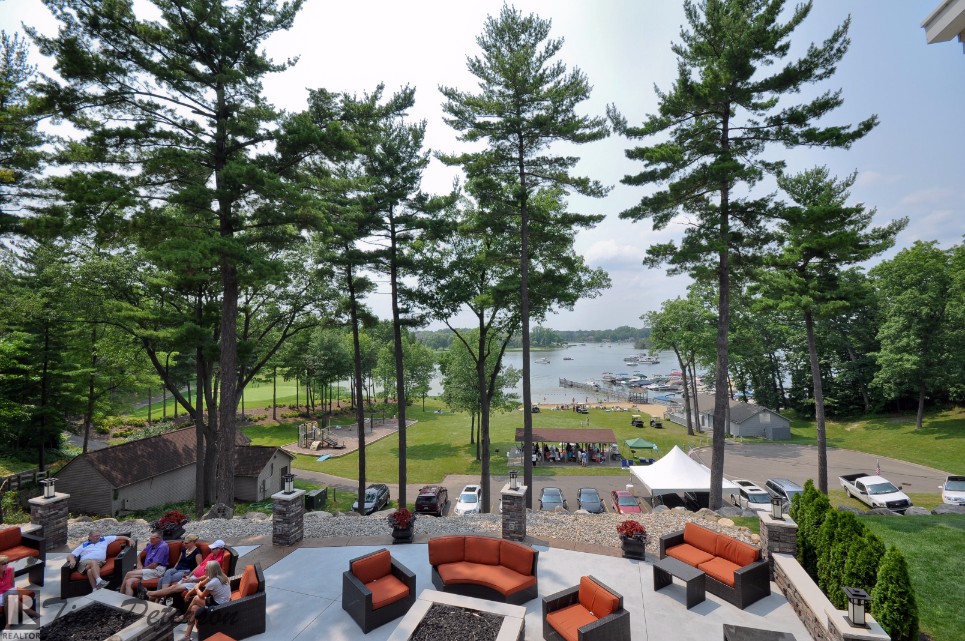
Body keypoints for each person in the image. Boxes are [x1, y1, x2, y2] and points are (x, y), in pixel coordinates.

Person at [145, 540, 227, 602]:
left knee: (173, 588)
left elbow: (209, 577)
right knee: (170, 584)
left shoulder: (218, 561)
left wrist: (192, 579)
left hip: (198, 582)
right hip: (193, 578)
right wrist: (190, 575)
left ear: (220, 549)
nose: (211, 550)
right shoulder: (211, 555)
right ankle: (151, 597)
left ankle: (148, 594)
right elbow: (200, 565)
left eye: (213, 548)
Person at [177, 561, 232, 639]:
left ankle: (184, 616)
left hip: (220, 606)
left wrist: (196, 589)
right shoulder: (218, 576)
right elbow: (200, 584)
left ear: (211, 571)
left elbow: (201, 596)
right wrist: (188, 594)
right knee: (194, 608)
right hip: (219, 601)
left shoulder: (213, 582)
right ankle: (187, 636)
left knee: (196, 598)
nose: (204, 570)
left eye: (206, 569)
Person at [66, 530, 133, 590]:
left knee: (90, 571)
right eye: (96, 536)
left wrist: (129, 539)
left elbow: (119, 537)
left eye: (99, 535)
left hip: (99, 562)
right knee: (93, 562)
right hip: (84, 563)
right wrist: (72, 560)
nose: (98, 537)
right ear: (90, 537)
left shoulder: (104, 539)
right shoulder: (84, 545)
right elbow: (70, 555)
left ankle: (94, 590)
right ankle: (99, 581)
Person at [121, 530, 169, 596]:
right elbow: (139, 555)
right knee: (129, 582)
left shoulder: (162, 547)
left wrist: (142, 569)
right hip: (148, 570)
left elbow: (154, 565)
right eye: (150, 538)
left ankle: (120, 594)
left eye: (152, 539)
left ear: (159, 538)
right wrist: (139, 564)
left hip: (157, 570)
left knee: (128, 574)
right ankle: (126, 601)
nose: (150, 540)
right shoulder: (151, 545)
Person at [1, 555, 38, 630]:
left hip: (10, 590)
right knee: (11, 599)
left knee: (10, 596)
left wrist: (11, 591)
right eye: (4, 563)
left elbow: (12, 583)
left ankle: (8, 625)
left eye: (7, 562)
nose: (6, 565)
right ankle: (34, 613)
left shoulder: (10, 569)